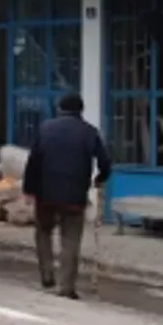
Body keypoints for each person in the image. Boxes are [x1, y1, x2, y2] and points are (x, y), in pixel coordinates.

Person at [21, 92, 113, 300]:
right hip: (75, 197)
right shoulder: (90, 132)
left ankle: (46, 273)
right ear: (80, 111)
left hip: (46, 195)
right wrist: (100, 178)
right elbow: (105, 162)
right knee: (70, 240)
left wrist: (29, 189)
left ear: (60, 109)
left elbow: (33, 161)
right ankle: (66, 286)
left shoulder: (46, 128)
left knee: (43, 232)